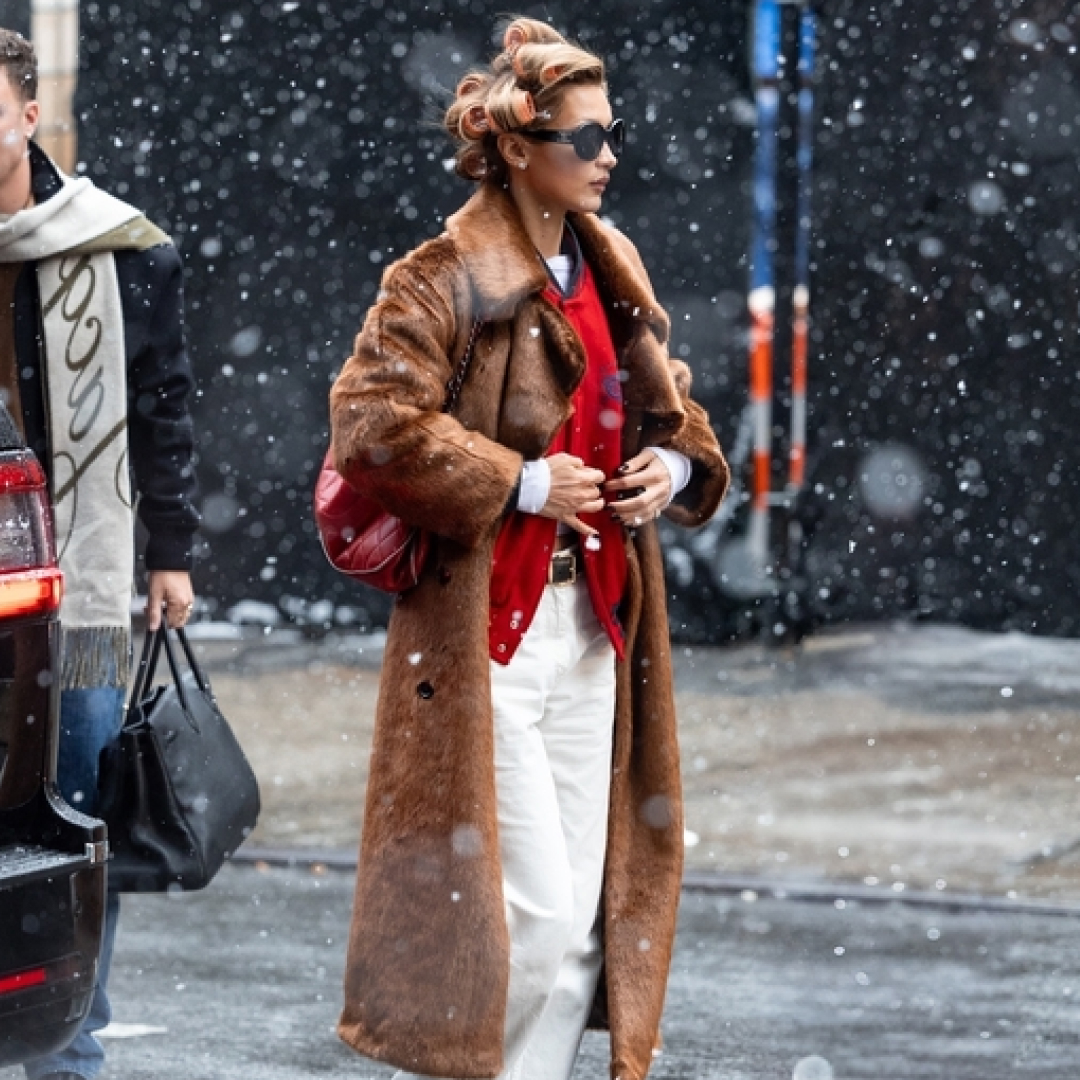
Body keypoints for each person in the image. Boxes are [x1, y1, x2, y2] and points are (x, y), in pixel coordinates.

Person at [330, 17, 729, 1080]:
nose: (609, 157)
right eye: (585, 138)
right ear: (514, 146)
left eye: (613, 135)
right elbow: (370, 424)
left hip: (595, 623)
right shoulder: (439, 276)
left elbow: (672, 409)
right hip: (486, 637)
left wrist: (673, 465)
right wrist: (520, 480)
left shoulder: (610, 263)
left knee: (585, 931)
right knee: (538, 920)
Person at [0, 29, 200, 1080]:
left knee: (73, 812)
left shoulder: (121, 248)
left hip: (71, 595)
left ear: (30, 116)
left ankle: (69, 1045)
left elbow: (163, 406)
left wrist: (171, 550)